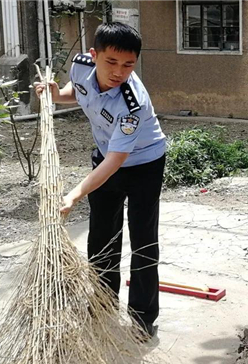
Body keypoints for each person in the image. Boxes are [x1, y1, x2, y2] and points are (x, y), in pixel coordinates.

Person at [35, 22, 166, 338]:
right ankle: (102, 305)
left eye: (128, 65)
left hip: (143, 165)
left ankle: (142, 318)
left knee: (143, 240)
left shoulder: (132, 104)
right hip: (106, 156)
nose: (119, 71)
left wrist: (75, 194)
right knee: (102, 236)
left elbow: (115, 163)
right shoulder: (81, 67)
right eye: (111, 62)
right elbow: (77, 94)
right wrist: (56, 94)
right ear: (94, 55)